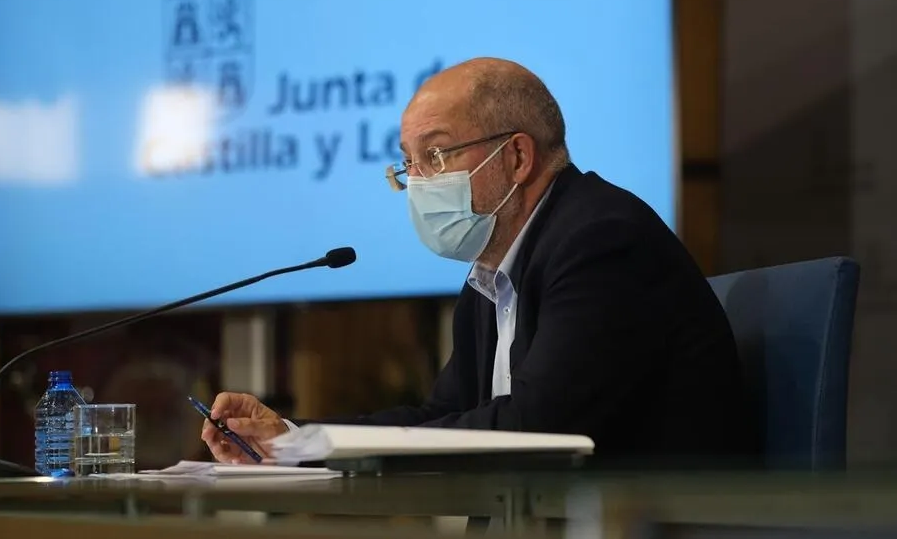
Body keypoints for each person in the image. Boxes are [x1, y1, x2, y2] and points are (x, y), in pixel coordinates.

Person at [202, 57, 757, 469]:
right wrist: (291, 438)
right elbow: (442, 416)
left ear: (517, 156)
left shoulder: (602, 244)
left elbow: (536, 429)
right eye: (409, 163)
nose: (418, 181)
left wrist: (315, 448)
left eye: (436, 155)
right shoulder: (491, 278)